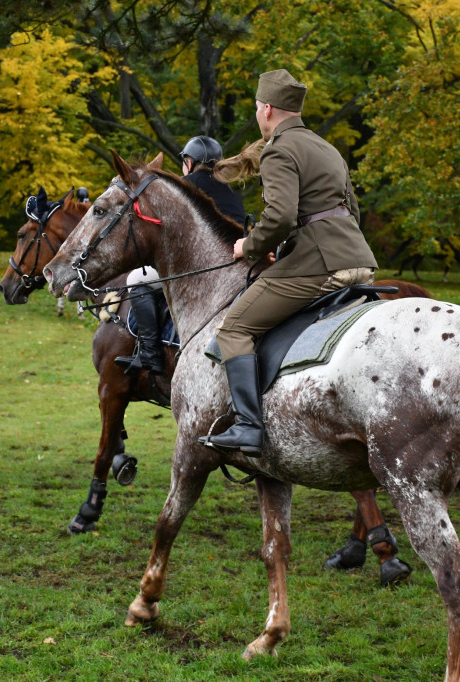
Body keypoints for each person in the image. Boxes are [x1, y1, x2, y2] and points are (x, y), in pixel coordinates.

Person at [199, 69, 378, 456]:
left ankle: (248, 427)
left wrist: (249, 246)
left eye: (257, 109)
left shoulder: (279, 149)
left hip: (318, 266)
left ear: (266, 109)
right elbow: (351, 211)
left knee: (234, 329)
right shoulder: (327, 148)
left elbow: (280, 216)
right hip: (360, 260)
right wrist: (282, 248)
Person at [114, 136, 247, 375]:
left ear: (189, 161)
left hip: (201, 269)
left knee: (136, 279)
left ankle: (150, 353)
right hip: (237, 266)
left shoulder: (183, 187)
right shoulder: (230, 190)